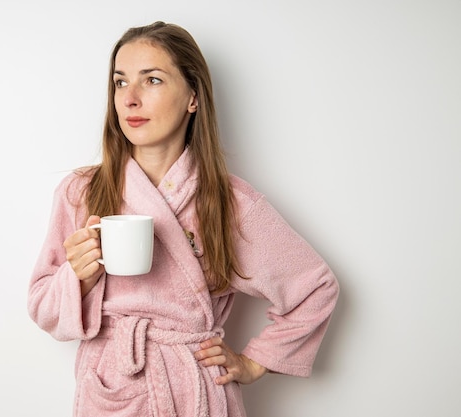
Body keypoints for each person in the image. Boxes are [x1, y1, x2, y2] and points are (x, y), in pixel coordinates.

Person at [28, 21, 339, 417]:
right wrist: (79, 277)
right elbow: (43, 308)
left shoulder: (230, 203)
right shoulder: (82, 192)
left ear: (193, 96)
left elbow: (314, 288)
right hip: (112, 387)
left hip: (194, 387)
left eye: (152, 80)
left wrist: (255, 361)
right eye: (120, 83)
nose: (130, 99)